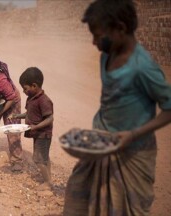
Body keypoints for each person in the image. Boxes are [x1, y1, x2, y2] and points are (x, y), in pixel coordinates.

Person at [63, 0, 171, 215]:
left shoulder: (143, 67)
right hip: (101, 145)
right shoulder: (106, 56)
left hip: (133, 154)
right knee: (77, 201)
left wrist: (132, 135)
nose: (94, 42)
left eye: (98, 35)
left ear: (120, 28)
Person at [10, 67, 54, 190]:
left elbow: (50, 119)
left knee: (38, 159)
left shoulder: (44, 101)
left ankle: (48, 183)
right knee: (44, 157)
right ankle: (48, 178)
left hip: (43, 134)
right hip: (38, 134)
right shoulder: (32, 98)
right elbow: (29, 113)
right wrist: (18, 115)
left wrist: (36, 126)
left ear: (34, 86)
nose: (23, 91)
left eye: (25, 88)